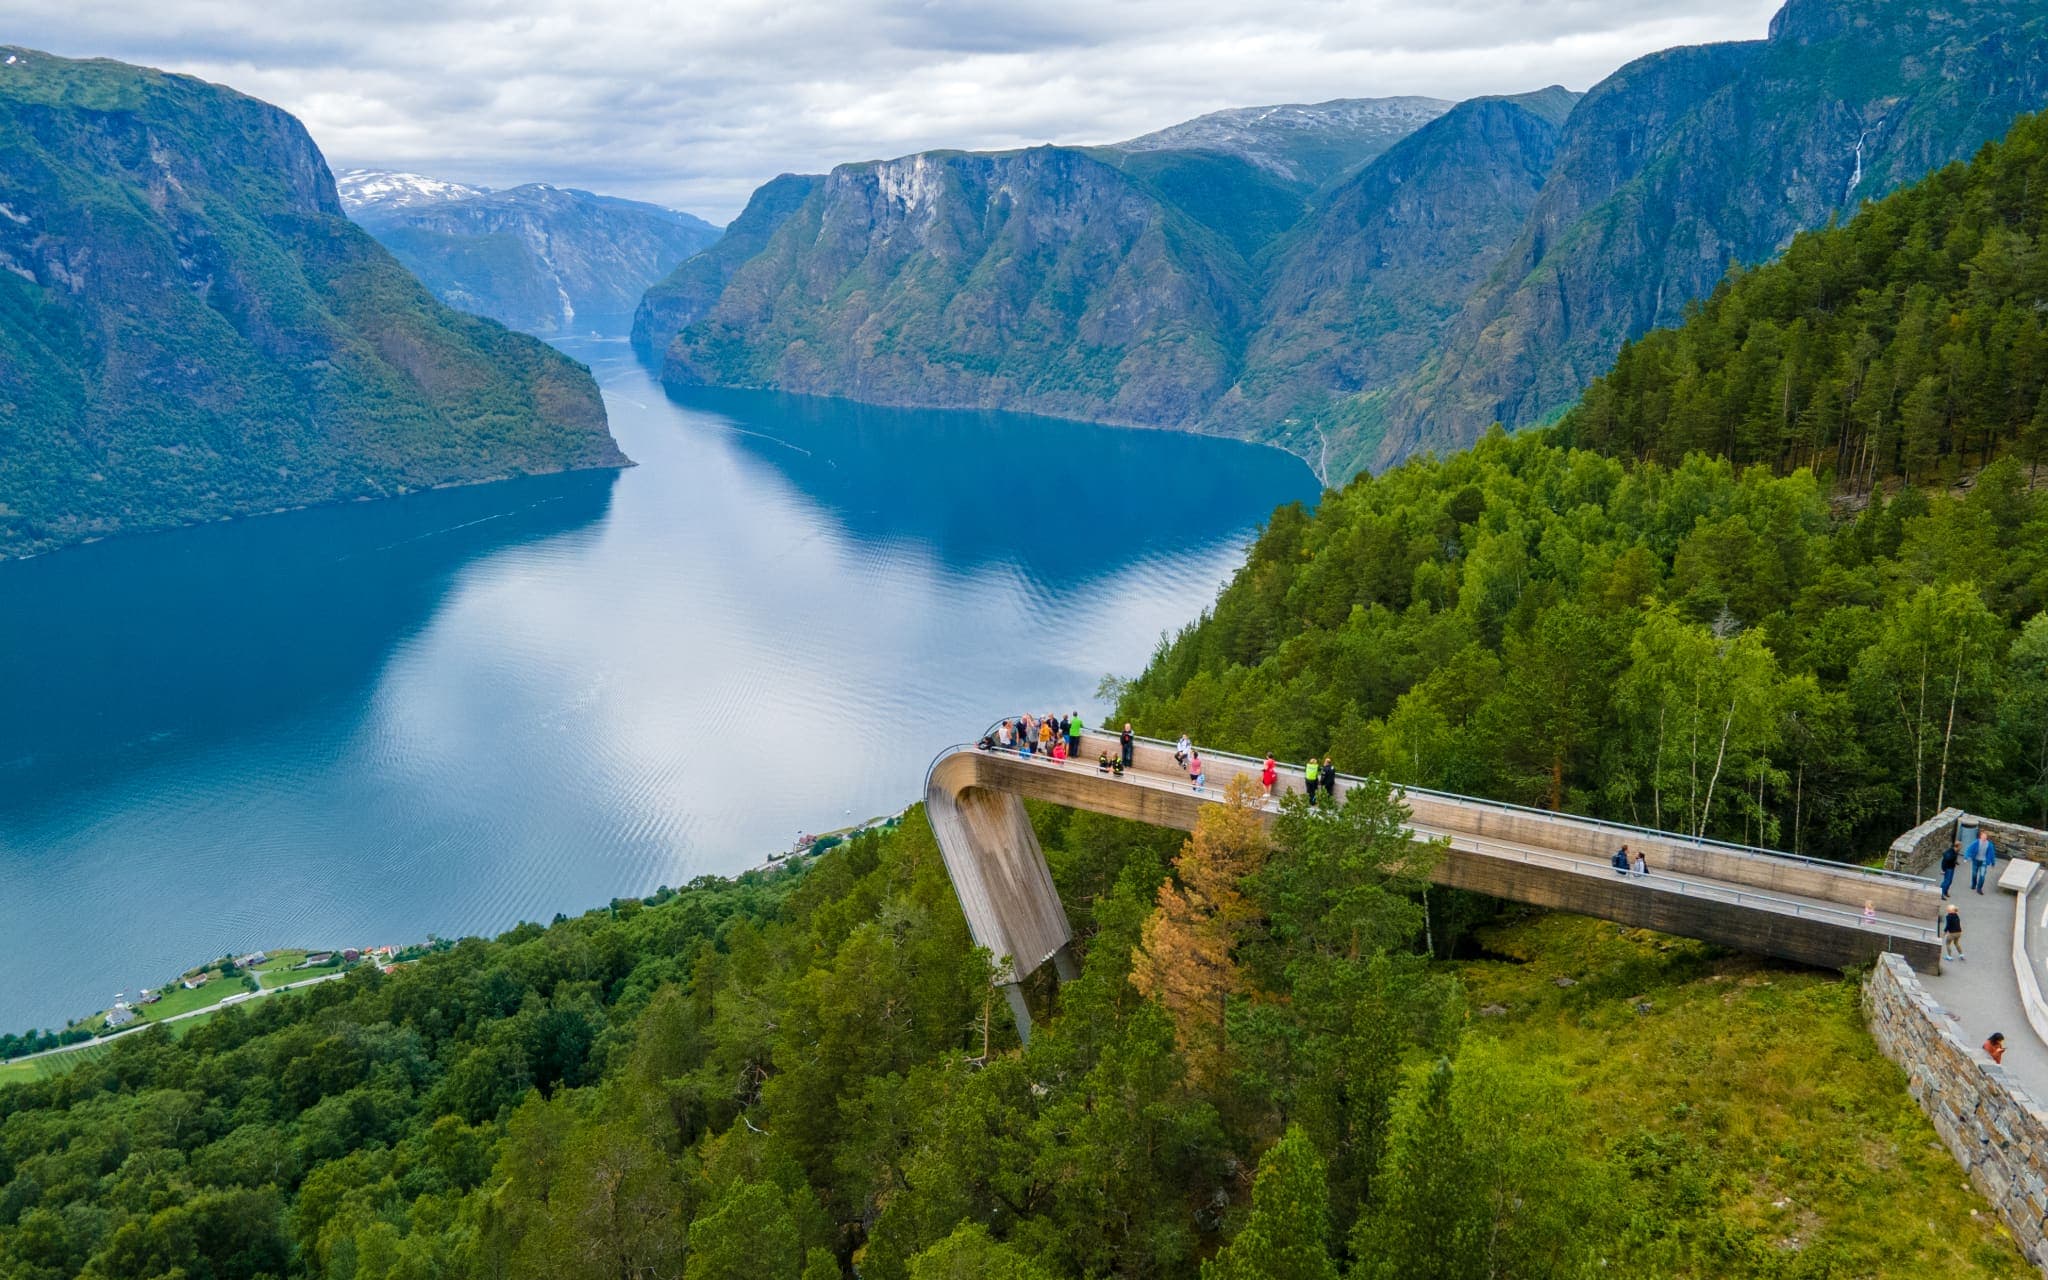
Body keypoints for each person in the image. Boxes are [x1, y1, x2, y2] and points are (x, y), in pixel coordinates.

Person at [1969, 828, 1999, 894]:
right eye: (1983, 836)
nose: (1984, 838)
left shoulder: (1989, 845)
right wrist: (1967, 856)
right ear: (1980, 836)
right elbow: (1970, 849)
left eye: (1985, 837)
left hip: (1984, 862)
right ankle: (1974, 884)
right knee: (1974, 874)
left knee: (1982, 876)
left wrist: (1993, 862)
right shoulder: (1976, 842)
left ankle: (1979, 888)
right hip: (1976, 860)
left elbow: (1992, 854)